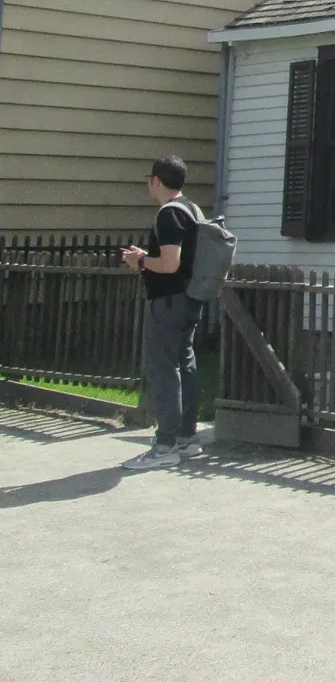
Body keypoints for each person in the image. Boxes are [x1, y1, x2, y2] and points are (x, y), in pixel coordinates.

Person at [120, 155, 205, 470]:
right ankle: (186, 438)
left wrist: (140, 261)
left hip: (168, 300)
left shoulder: (168, 215)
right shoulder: (193, 210)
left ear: (156, 180)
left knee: (164, 368)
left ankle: (165, 444)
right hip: (190, 298)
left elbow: (170, 264)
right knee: (185, 364)